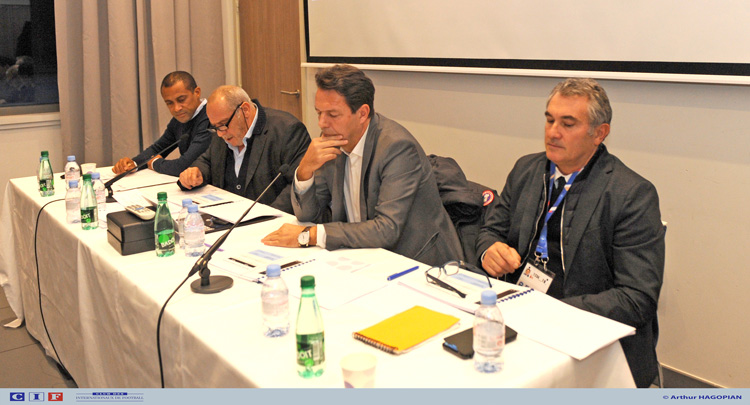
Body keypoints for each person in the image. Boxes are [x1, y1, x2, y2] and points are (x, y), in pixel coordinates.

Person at [475, 78, 665, 388]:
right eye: (549, 120)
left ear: (599, 133)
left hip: (587, 334)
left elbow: (637, 298)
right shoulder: (526, 170)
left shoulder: (631, 194)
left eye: (567, 123)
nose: (553, 132)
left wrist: (551, 310)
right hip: (520, 317)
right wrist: (489, 250)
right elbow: (491, 230)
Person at [261, 64, 462, 266]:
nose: (322, 123)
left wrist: (310, 235)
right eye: (319, 113)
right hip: (359, 255)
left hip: (417, 262)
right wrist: (305, 171)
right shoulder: (333, 141)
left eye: (332, 115)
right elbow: (308, 215)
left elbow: (386, 229)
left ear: (363, 113)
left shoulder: (397, 148)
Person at [177, 85, 310, 214]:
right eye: (215, 127)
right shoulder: (223, 129)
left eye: (222, 125)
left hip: (269, 220)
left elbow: (297, 186)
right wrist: (196, 172)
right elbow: (207, 160)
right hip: (226, 216)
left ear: (245, 110)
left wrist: (268, 216)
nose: (220, 134)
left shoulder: (287, 130)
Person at [112, 71, 211, 176]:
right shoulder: (180, 119)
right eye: (169, 103)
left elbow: (185, 166)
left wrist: (154, 163)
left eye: (181, 100)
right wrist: (133, 164)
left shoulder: (211, 117)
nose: (176, 108)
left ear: (197, 92)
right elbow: (158, 148)